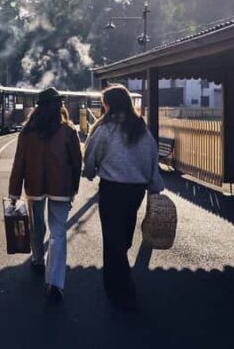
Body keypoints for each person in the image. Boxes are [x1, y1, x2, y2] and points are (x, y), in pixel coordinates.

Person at [83, 84, 165, 310]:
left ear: (109, 105)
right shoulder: (140, 128)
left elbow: (91, 156)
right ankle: (119, 282)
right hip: (136, 190)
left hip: (112, 189)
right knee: (125, 234)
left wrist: (89, 172)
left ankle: (120, 287)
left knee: (112, 237)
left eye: (104, 104)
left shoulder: (106, 129)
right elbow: (151, 155)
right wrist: (154, 184)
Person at [9, 87, 82, 301]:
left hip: (34, 186)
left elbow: (19, 162)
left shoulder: (28, 131)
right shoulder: (68, 131)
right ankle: (55, 282)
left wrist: (14, 193)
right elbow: (76, 162)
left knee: (36, 224)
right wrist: (73, 189)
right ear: (59, 106)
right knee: (58, 234)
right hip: (61, 188)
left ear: (38, 108)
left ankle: (38, 259)